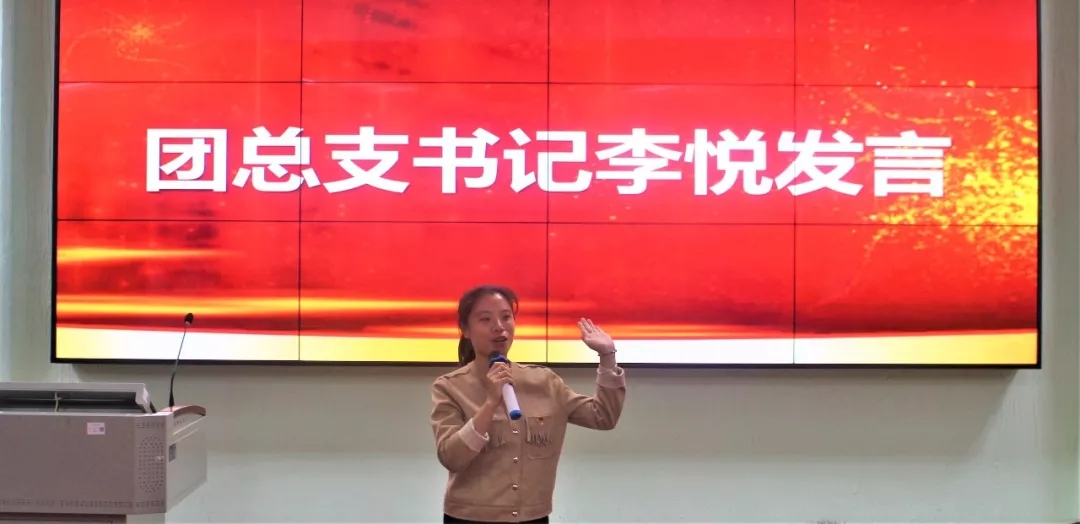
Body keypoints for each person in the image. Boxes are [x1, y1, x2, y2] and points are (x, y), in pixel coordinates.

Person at [429, 285, 627, 523]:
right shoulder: (450, 387)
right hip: (469, 518)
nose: (499, 326)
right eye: (485, 319)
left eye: (506, 317)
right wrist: (490, 403)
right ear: (466, 330)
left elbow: (603, 416)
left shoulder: (544, 381)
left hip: (533, 517)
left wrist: (607, 356)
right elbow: (451, 458)